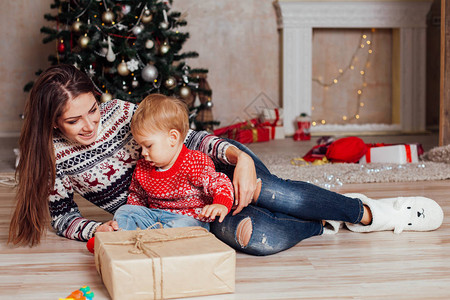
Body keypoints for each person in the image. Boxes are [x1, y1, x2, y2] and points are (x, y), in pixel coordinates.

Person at [8, 64, 444, 256]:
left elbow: (190, 137)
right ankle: (326, 221)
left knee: (276, 194)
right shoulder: (50, 159)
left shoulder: (123, 112)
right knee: (261, 239)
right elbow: (62, 216)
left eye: (93, 110)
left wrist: (241, 159)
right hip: (186, 214)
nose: (90, 125)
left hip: (213, 169)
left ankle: (373, 213)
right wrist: (96, 227)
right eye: (73, 120)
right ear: (51, 122)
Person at [114, 94, 235, 231]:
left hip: (189, 219)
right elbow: (137, 196)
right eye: (140, 147)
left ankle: (158, 239)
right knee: (125, 211)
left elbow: (219, 182)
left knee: (180, 227)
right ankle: (123, 238)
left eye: (148, 146)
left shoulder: (194, 161)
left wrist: (221, 203)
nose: (143, 153)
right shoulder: (143, 168)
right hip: (155, 217)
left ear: (172, 138)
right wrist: (133, 217)